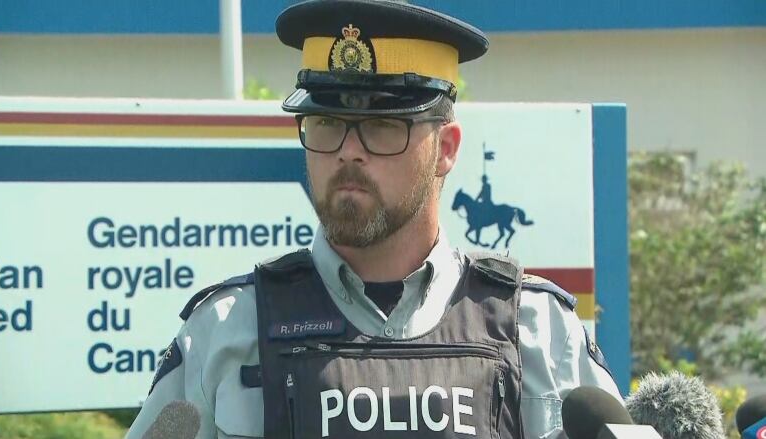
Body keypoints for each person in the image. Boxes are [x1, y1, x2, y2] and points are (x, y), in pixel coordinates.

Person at [126, 1, 622, 438]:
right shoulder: (225, 333)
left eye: (382, 127)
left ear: (445, 150)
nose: (348, 152)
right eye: (327, 124)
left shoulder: (534, 330)